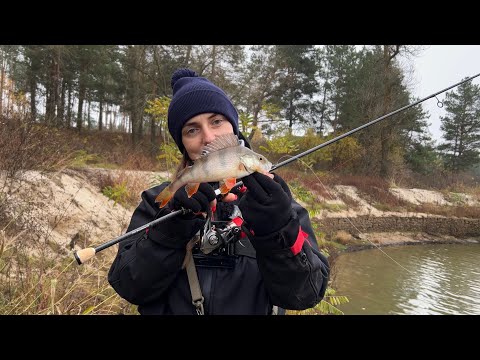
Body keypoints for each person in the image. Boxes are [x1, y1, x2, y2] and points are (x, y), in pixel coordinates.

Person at [108, 68, 330, 315]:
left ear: (233, 127)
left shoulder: (277, 204)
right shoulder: (157, 203)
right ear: (183, 143)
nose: (208, 136)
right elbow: (128, 286)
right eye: (192, 129)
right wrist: (170, 231)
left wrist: (278, 230)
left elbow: (306, 295)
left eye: (216, 121)